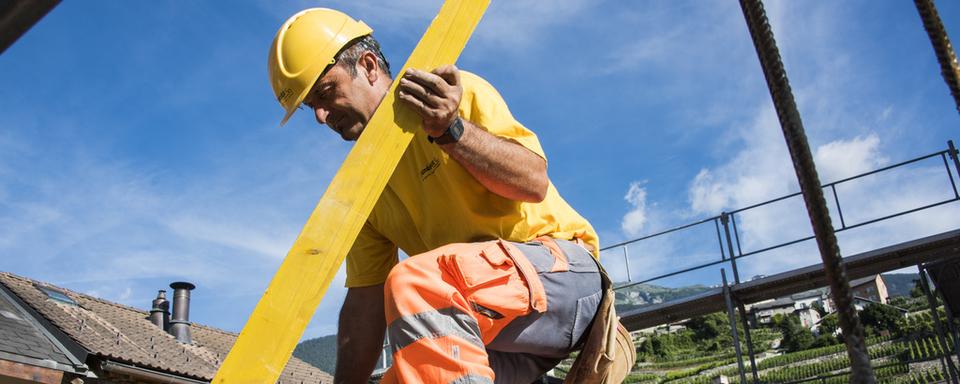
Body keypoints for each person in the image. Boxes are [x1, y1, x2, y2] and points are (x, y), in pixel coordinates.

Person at [268, 8, 629, 384]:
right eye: (312, 107)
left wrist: (453, 131)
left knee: (416, 282)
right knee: (408, 375)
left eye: (325, 93)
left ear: (370, 65)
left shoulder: (456, 96)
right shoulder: (363, 188)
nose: (321, 117)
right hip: (492, 327)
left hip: (564, 282)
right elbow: (365, 305)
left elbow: (533, 183)